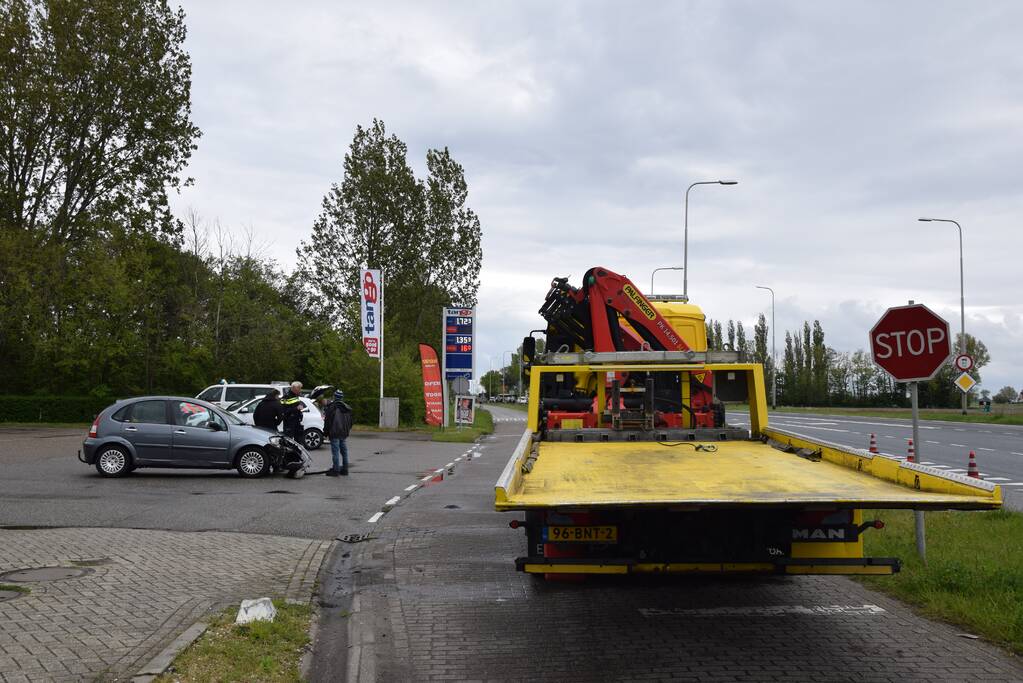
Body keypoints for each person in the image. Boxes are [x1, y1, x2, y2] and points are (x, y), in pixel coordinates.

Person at [323, 389, 353, 476]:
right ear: (342, 398)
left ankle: (335, 470)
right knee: (344, 452)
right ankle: (345, 469)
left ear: (334, 397)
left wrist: (325, 433)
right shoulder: (347, 408)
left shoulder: (332, 407)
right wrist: (347, 430)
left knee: (335, 452)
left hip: (334, 433)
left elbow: (327, 421)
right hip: (344, 433)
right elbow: (351, 422)